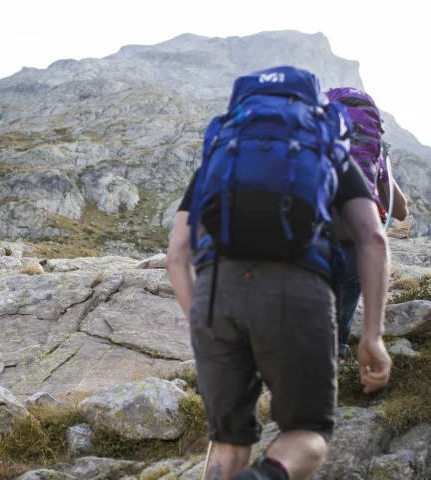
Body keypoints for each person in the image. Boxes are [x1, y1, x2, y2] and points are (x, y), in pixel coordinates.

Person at [165, 68, 392, 480]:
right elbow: (372, 238)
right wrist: (372, 336)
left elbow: (177, 256)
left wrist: (202, 322)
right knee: (308, 432)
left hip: (218, 295)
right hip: (298, 289)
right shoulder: (326, 147)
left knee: (231, 443)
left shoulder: (223, 152)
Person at [325, 88, 409, 360]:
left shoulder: (313, 141)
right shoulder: (375, 155)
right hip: (351, 237)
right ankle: (337, 349)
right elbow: (401, 210)